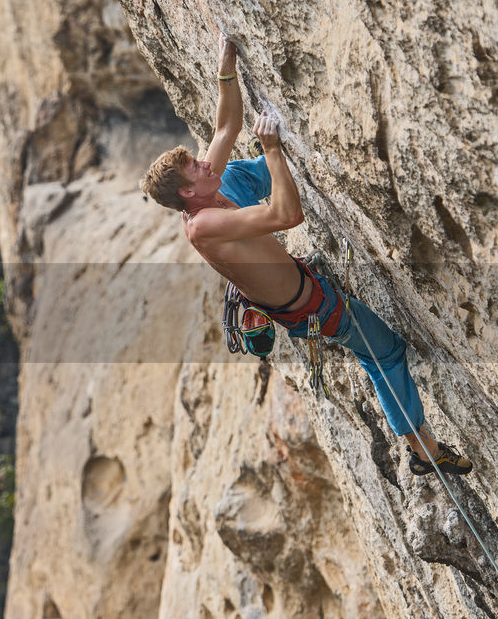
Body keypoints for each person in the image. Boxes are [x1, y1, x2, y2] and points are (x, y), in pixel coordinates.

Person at [140, 34, 470, 476]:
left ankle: (276, 169)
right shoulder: (204, 226)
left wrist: (226, 67)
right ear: (187, 193)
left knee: (231, 175)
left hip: (288, 271)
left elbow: (224, 128)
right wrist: (274, 150)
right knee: (384, 352)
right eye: (195, 170)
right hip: (314, 307)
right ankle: (422, 448)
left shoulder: (205, 190)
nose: (203, 164)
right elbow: (287, 215)